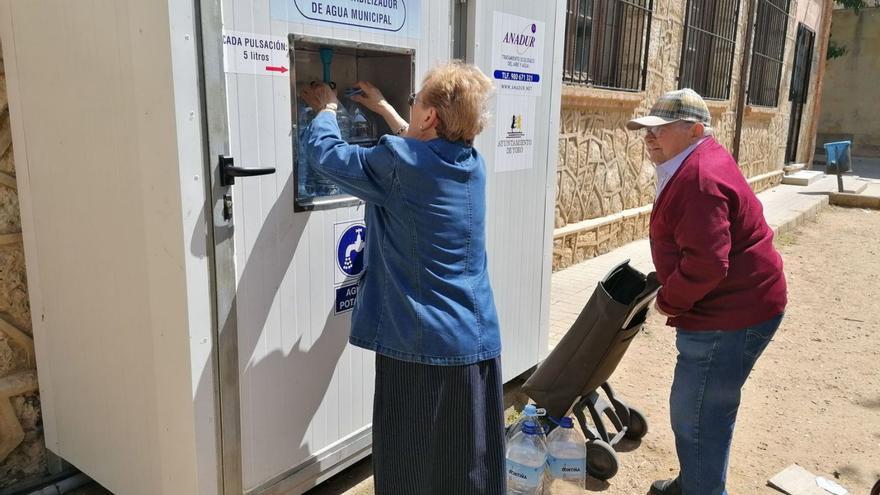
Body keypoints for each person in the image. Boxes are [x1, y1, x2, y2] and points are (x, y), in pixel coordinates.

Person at [299, 62, 504, 494]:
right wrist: (387, 109)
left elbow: (327, 157)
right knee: (466, 471)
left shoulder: (399, 162)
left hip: (420, 349)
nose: (411, 109)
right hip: (476, 343)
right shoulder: (471, 163)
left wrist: (326, 109)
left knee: (409, 471)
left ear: (429, 116)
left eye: (416, 102)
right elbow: (420, 151)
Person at [625, 88, 787, 495]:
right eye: (647, 129)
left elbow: (708, 264)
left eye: (661, 130)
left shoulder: (698, 175)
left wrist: (668, 300)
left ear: (696, 130)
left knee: (697, 415)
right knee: (701, 412)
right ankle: (694, 482)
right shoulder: (696, 161)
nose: (650, 137)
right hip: (735, 306)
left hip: (729, 316)